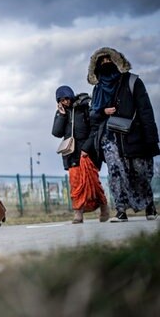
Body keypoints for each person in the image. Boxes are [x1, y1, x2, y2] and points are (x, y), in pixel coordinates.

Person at [83, 47, 159, 222]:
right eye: (101, 62)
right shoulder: (98, 89)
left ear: (118, 62)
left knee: (140, 172)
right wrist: (103, 111)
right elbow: (93, 116)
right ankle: (121, 209)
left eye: (108, 60)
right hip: (109, 139)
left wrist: (152, 140)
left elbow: (146, 111)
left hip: (134, 136)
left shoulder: (133, 82)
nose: (105, 64)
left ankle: (149, 206)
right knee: (115, 173)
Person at [52, 86, 109, 224]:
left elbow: (95, 128)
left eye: (66, 98)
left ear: (71, 96)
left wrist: (87, 148)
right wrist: (61, 115)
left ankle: (103, 207)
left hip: (88, 152)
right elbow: (56, 132)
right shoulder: (62, 112)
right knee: (75, 184)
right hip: (71, 154)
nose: (65, 102)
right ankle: (78, 213)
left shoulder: (85, 107)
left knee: (93, 183)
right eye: (61, 100)